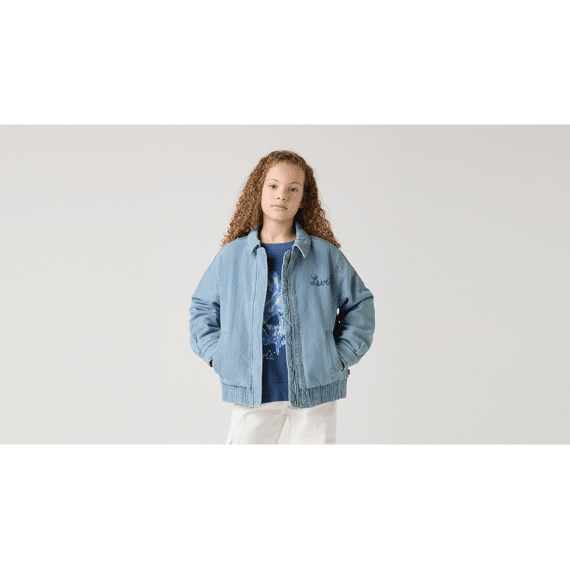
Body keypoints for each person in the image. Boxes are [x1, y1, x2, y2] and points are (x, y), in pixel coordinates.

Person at [189, 150, 375, 444]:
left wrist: (339, 358)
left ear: (304, 197)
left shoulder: (325, 255)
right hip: (253, 389)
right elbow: (202, 308)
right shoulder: (232, 256)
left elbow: (360, 306)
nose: (281, 195)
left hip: (315, 389)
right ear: (259, 189)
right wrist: (218, 356)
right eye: (273, 185)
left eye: (293, 189)